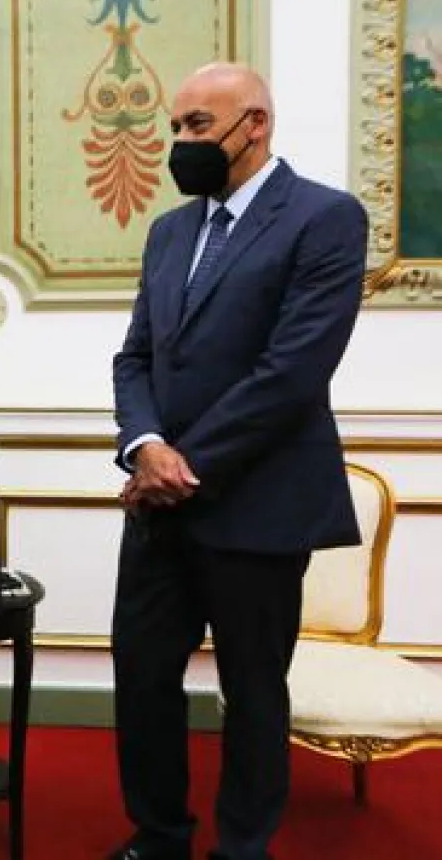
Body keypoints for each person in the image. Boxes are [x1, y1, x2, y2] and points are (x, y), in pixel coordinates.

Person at [108, 63, 369, 860]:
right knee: (143, 678)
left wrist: (183, 464)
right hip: (161, 508)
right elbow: (136, 359)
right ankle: (159, 836)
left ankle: (242, 848)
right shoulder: (170, 232)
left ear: (253, 124)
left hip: (259, 504)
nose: (179, 142)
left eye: (196, 126)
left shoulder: (325, 218)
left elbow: (291, 373)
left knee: (254, 691)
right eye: (176, 126)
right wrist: (144, 446)